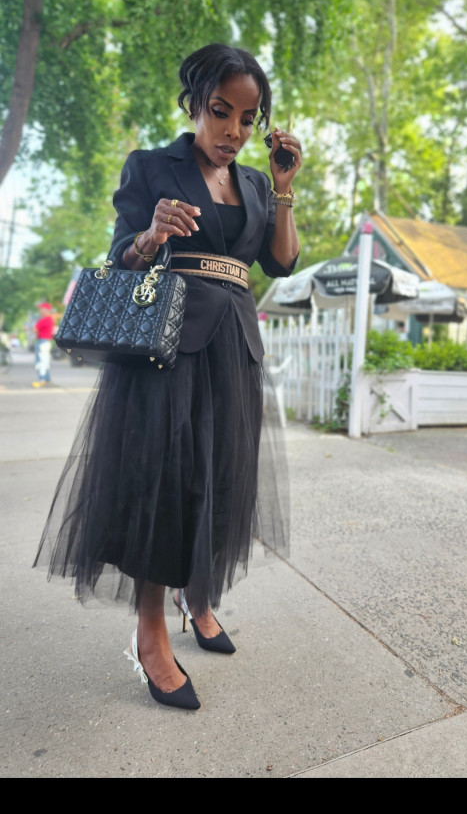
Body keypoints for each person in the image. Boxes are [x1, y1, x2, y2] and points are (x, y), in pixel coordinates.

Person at [33, 43, 301, 711]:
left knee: (221, 481)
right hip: (168, 350)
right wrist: (152, 236)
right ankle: (149, 630)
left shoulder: (257, 184)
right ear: (194, 104)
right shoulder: (152, 167)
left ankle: (195, 597)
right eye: (221, 112)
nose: (233, 131)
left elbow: (282, 263)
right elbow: (119, 257)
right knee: (165, 484)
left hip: (234, 349)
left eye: (247, 119)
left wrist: (284, 185)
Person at [32, 303, 55, 387]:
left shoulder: (43, 320)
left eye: (41, 309)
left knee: (41, 361)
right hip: (47, 341)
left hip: (42, 341)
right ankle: (46, 378)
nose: (40, 311)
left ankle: (42, 379)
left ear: (45, 310)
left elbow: (34, 330)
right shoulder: (51, 319)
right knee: (45, 360)